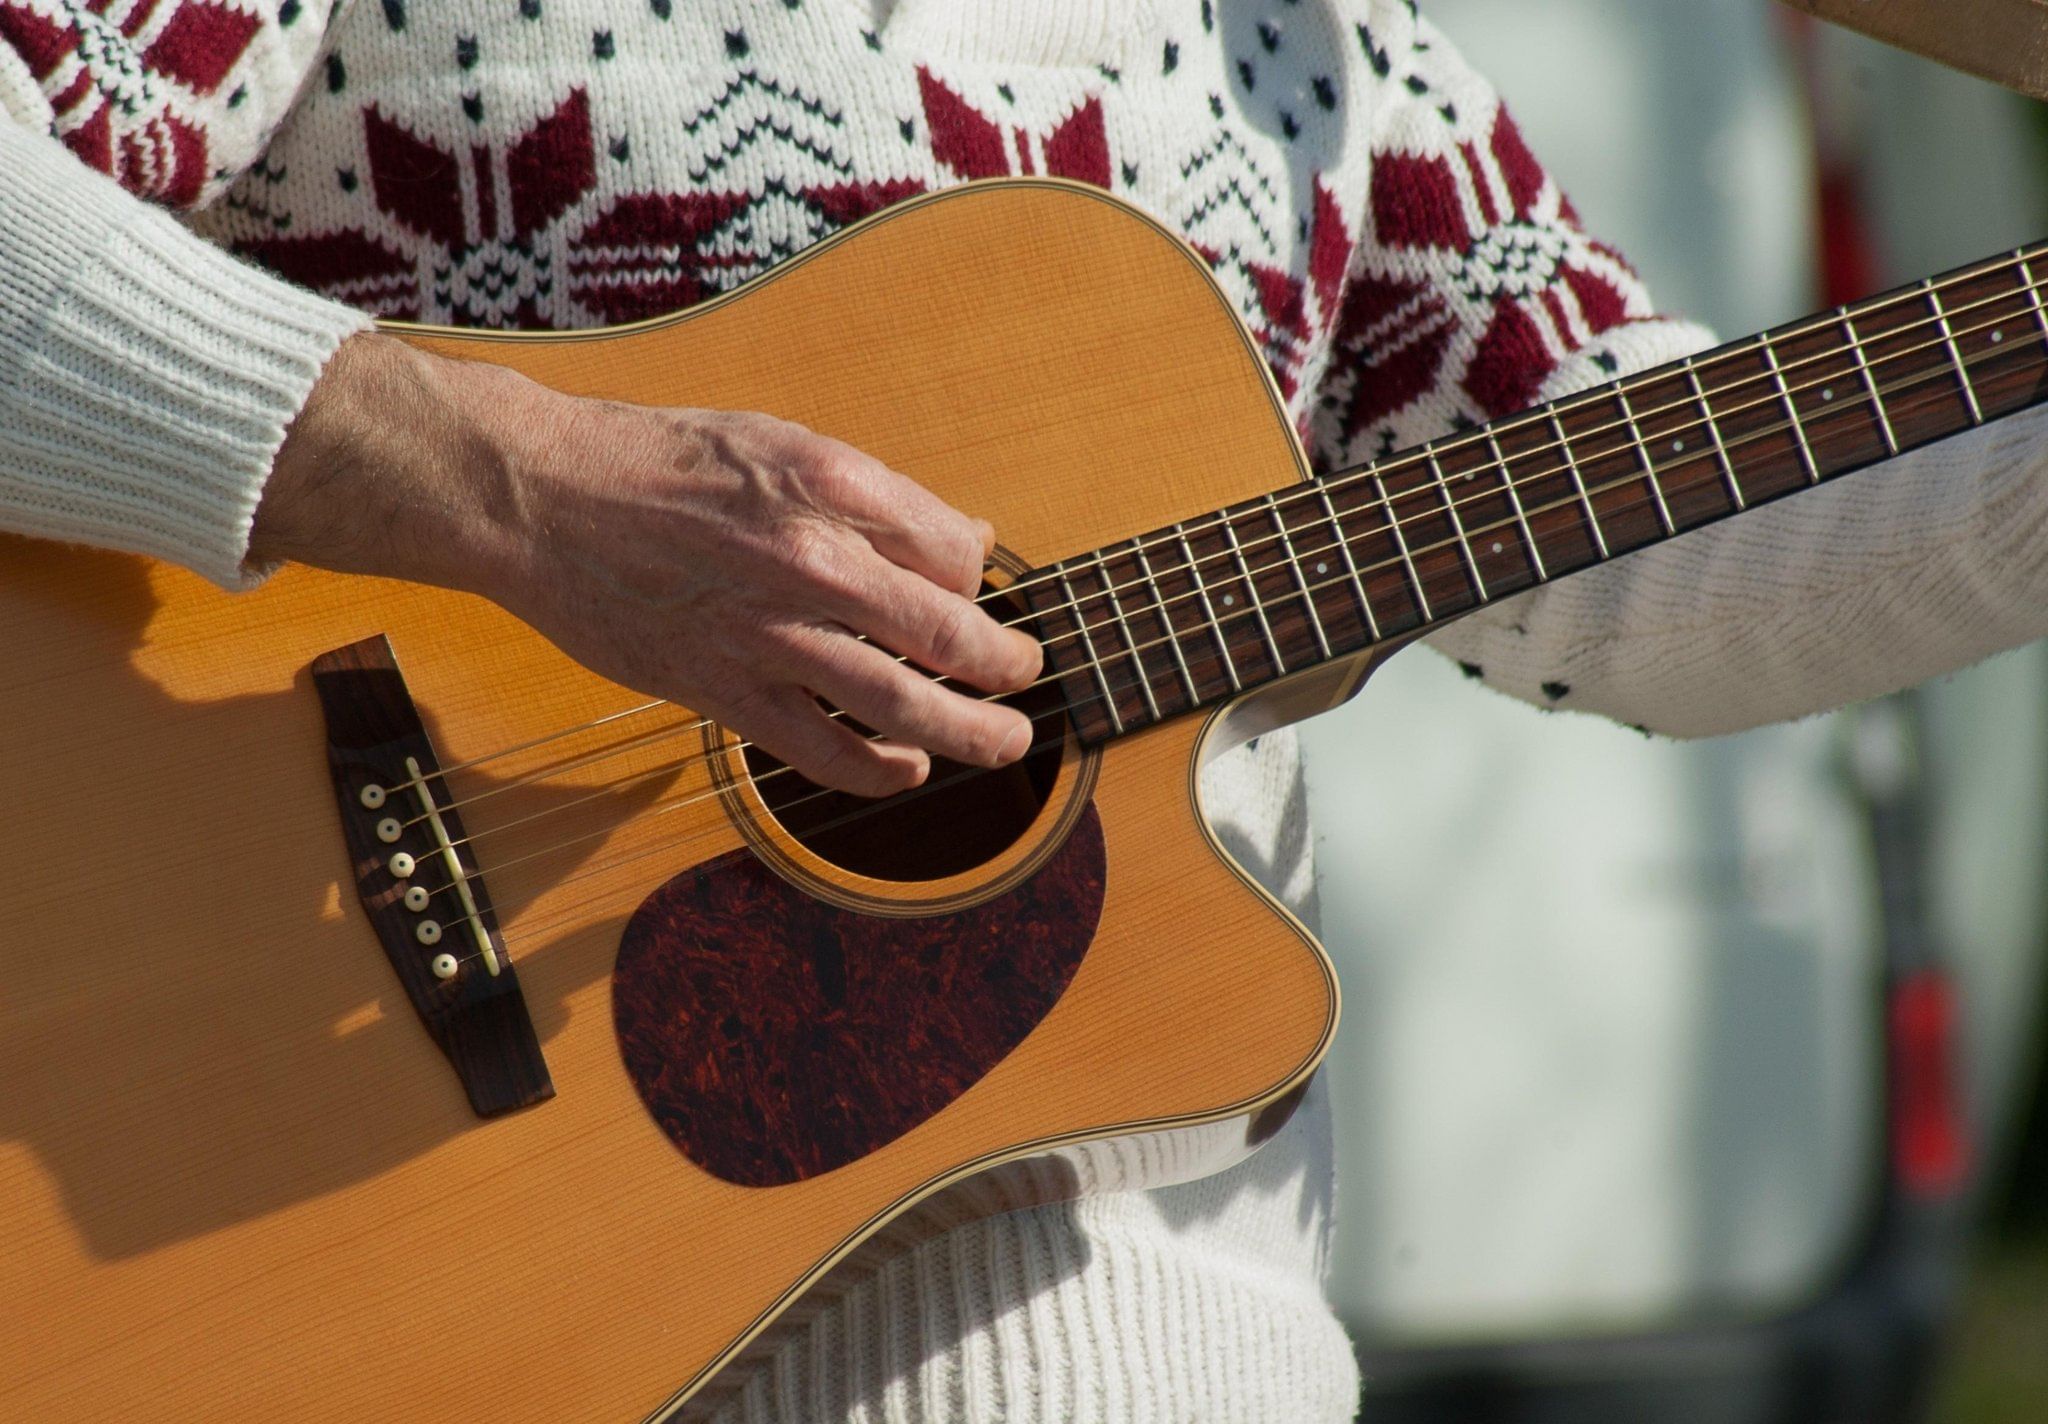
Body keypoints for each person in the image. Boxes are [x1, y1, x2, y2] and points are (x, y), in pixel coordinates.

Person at [4, 2, 2045, 1419]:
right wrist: (504, 482)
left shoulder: (1311, 50)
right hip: (296, 1251)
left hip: (1133, 1348)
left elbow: (1618, 562)